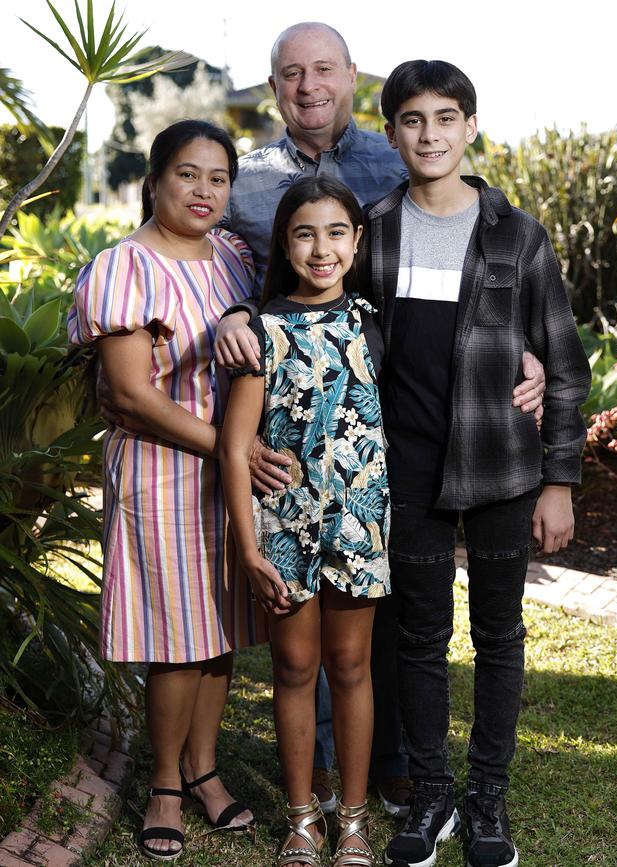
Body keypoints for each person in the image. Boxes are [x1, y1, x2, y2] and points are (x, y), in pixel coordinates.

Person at [215, 21, 546, 818]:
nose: (309, 85)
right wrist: (234, 311)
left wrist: (524, 353)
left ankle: (388, 763)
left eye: (323, 68)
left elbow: (477, 257)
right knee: (314, 636)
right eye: (291, 73)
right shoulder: (248, 177)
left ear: (353, 77)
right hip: (292, 423)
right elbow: (229, 262)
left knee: (391, 615)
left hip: (386, 425)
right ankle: (321, 775)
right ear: (274, 88)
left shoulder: (393, 163)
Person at [365, 61, 591, 867]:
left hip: (502, 468)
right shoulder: (371, 230)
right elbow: (312, 302)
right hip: (406, 471)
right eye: (413, 120)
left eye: (446, 117)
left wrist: (559, 480)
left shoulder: (518, 234)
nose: (430, 134)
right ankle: (432, 796)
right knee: (419, 638)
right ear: (391, 132)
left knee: (499, 635)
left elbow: (563, 363)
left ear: (469, 128)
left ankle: (487, 794)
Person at [67, 120, 264, 862]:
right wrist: (236, 449)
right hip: (164, 468)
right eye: (187, 175)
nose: (203, 190)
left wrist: (240, 456)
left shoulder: (234, 260)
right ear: (154, 182)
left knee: (219, 629)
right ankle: (162, 784)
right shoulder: (127, 266)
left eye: (217, 178)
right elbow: (130, 392)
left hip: (229, 472)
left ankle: (205, 769)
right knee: (177, 639)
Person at [220, 176, 389, 867]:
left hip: (361, 522)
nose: (321, 249)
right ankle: (301, 818)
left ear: (357, 241)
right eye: (304, 233)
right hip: (284, 526)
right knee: (294, 666)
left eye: (335, 233)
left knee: (350, 663)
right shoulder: (262, 330)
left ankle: (351, 818)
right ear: (284, 244)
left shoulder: (374, 320)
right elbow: (234, 446)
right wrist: (247, 545)